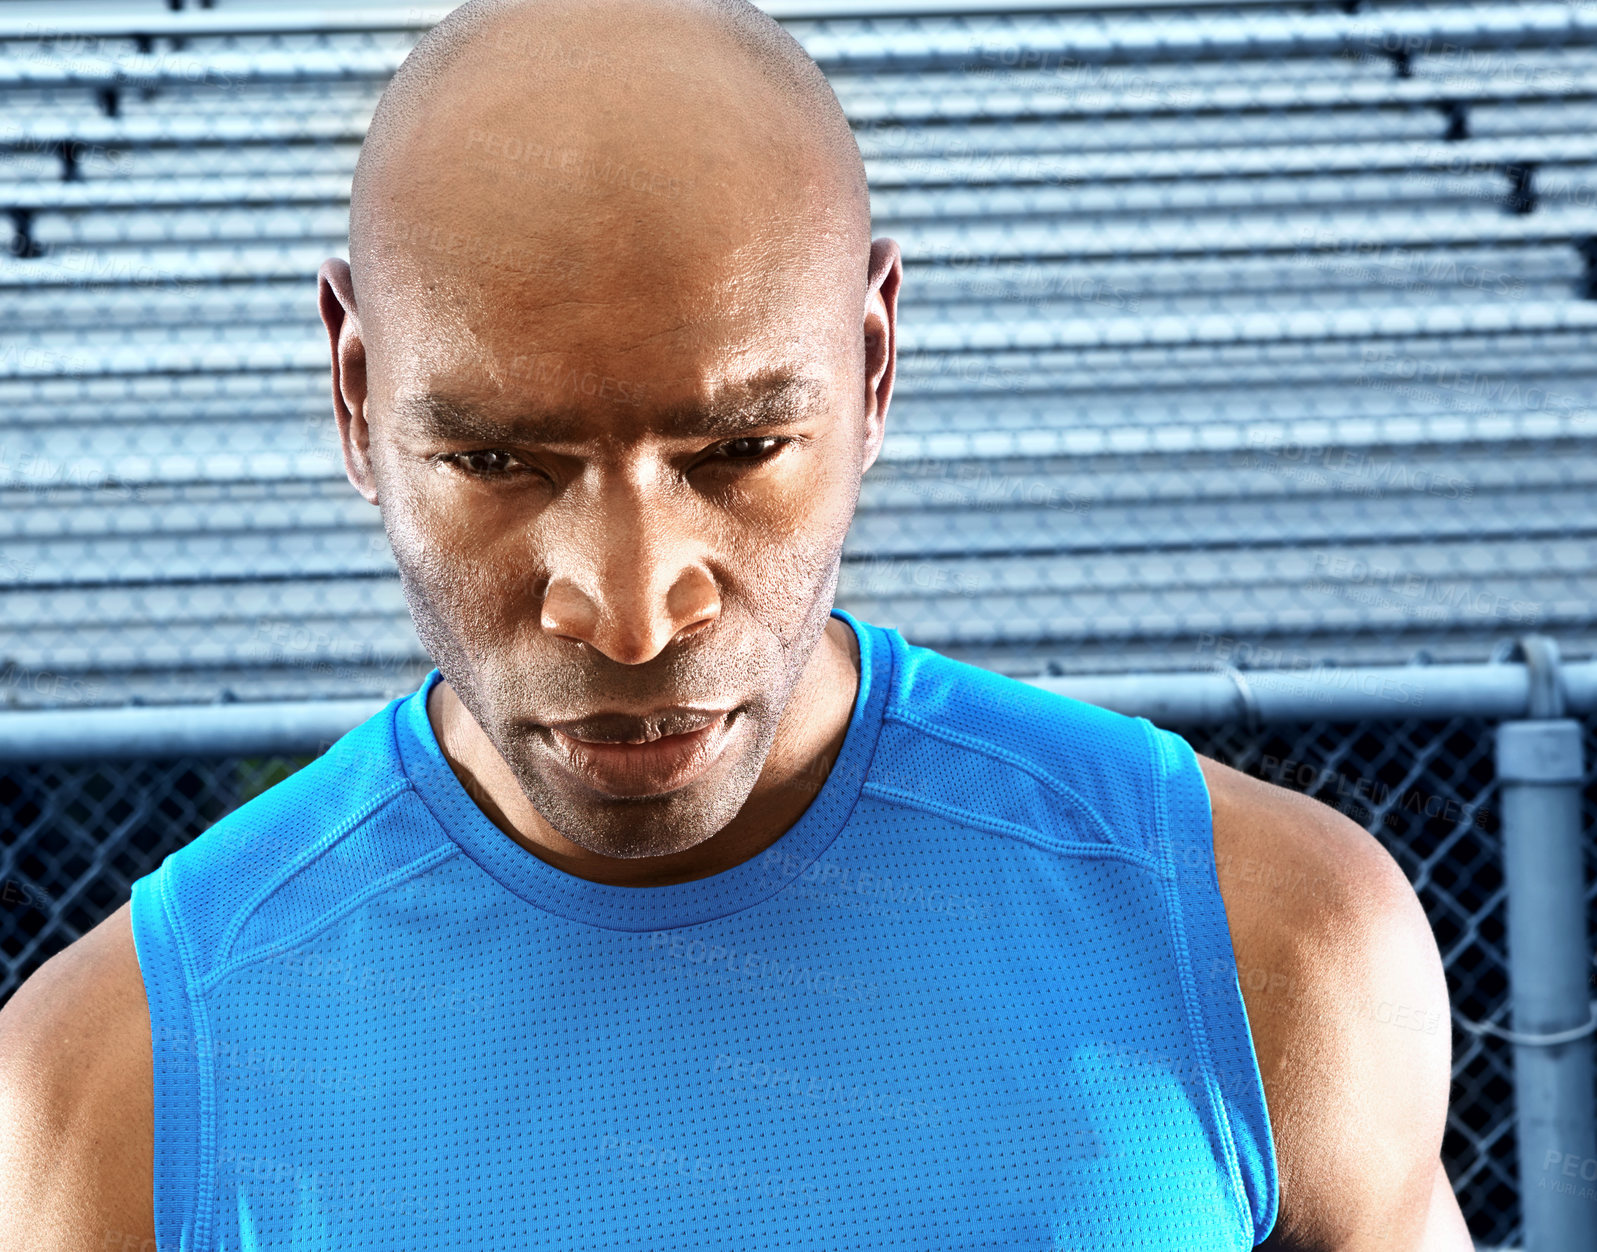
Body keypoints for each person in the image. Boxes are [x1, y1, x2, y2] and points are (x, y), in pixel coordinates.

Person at [0, 1, 1472, 1247]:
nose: (632, 611)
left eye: (736, 453)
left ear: (874, 366)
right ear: (352, 395)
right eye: (495, 460)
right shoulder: (103, 1101)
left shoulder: (1272, 949)